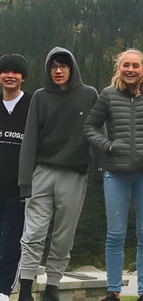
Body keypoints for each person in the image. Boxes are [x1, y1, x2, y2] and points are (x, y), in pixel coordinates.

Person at [83, 49, 143, 301]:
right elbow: (89, 127)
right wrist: (108, 146)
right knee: (115, 235)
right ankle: (113, 292)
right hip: (116, 173)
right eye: (126, 65)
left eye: (135, 65)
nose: (130, 70)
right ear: (119, 68)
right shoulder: (107, 95)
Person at [17, 47, 98, 301]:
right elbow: (29, 138)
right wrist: (24, 181)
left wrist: (101, 169)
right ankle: (26, 289)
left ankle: (52, 287)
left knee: (65, 234)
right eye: (53, 66)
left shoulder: (89, 95)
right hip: (42, 171)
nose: (59, 70)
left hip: (74, 174)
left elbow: (98, 134)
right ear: (48, 70)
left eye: (64, 65)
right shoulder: (40, 97)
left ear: (72, 68)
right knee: (33, 233)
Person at [0, 54, 32, 301]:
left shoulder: (33, 104)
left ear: (22, 77)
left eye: (15, 72)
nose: (10, 75)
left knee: (13, 242)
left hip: (20, 189)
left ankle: (3, 290)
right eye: (5, 71)